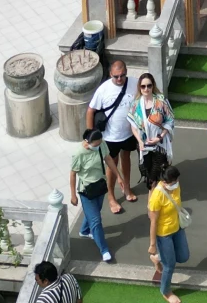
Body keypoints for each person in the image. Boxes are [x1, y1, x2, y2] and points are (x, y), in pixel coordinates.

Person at [84, 56, 138, 213]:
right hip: (110, 136)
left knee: (126, 158)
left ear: (126, 72)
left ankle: (127, 188)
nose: (120, 79)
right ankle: (111, 197)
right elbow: (90, 110)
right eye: (116, 76)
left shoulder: (134, 83)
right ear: (110, 75)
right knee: (111, 166)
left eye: (122, 75)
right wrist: (90, 136)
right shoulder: (104, 89)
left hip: (129, 133)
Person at [67, 129, 117, 264]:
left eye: (99, 144)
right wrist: (73, 195)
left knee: (95, 212)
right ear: (86, 142)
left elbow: (108, 158)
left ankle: (84, 231)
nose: (98, 146)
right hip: (86, 191)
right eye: (95, 145)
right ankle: (104, 250)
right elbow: (73, 174)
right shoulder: (79, 154)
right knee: (96, 221)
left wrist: (119, 176)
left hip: (100, 186)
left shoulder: (102, 145)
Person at [147, 163, 188, 303]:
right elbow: (153, 222)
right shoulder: (157, 196)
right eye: (173, 182)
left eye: (177, 181)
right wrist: (152, 244)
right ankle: (166, 291)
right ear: (164, 182)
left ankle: (159, 258)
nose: (176, 184)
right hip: (163, 234)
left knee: (183, 256)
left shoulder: (175, 185)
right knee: (169, 265)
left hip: (177, 228)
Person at [130, 72, 175, 193]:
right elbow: (133, 126)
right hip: (143, 145)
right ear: (139, 87)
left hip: (159, 144)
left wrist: (160, 137)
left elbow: (170, 121)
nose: (146, 89)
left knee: (157, 171)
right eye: (143, 86)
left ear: (153, 85)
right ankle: (154, 196)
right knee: (147, 169)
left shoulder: (161, 101)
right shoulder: (135, 104)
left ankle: (153, 199)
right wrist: (139, 141)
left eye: (149, 86)